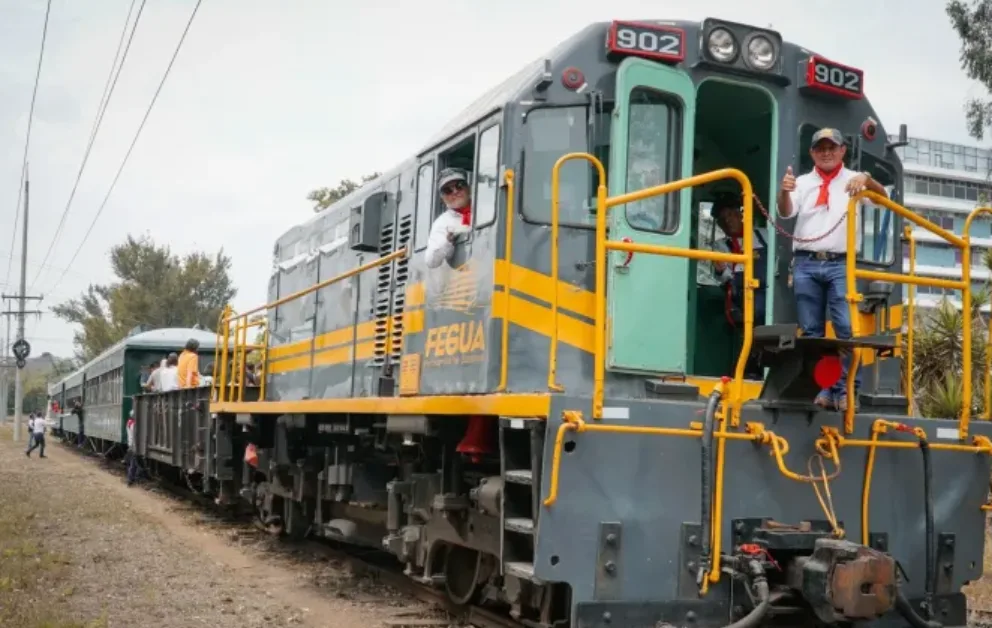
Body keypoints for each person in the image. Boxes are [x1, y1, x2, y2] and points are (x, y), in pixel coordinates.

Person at [777, 127, 888, 411]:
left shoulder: (854, 179)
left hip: (840, 263)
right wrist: (784, 192)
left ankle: (848, 390)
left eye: (832, 147)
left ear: (842, 151)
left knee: (845, 329)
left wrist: (868, 179)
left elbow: (884, 197)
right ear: (813, 153)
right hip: (806, 262)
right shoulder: (802, 182)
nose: (826, 152)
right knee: (812, 332)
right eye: (820, 148)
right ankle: (825, 389)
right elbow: (785, 211)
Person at [711, 192, 769, 326]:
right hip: (740, 298)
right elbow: (724, 279)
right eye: (722, 220)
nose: (727, 221)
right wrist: (720, 271)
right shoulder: (720, 246)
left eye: (730, 215)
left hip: (766, 292)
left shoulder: (764, 235)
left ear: (740, 214)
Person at [425, 168, 472, 269]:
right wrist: (447, 242)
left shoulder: (487, 206)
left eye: (459, 186)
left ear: (468, 188)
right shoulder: (442, 223)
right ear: (442, 198)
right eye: (448, 190)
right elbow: (431, 261)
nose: (455, 192)